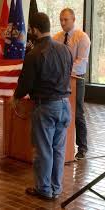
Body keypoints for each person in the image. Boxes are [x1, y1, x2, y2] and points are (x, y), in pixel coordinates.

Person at [12, 12, 73, 200]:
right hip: (65, 105)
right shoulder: (65, 50)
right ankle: (56, 188)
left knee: (44, 150)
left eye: (31, 30)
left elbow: (26, 84)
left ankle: (44, 189)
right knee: (58, 150)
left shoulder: (33, 54)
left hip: (46, 107)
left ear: (35, 30)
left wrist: (16, 97)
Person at [53, 8, 91, 160]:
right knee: (60, 111)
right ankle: (63, 147)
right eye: (61, 19)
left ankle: (82, 147)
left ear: (73, 20)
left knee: (77, 112)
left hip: (76, 80)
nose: (62, 22)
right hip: (59, 80)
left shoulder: (82, 37)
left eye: (66, 19)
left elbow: (81, 63)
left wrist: (62, 69)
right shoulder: (56, 38)